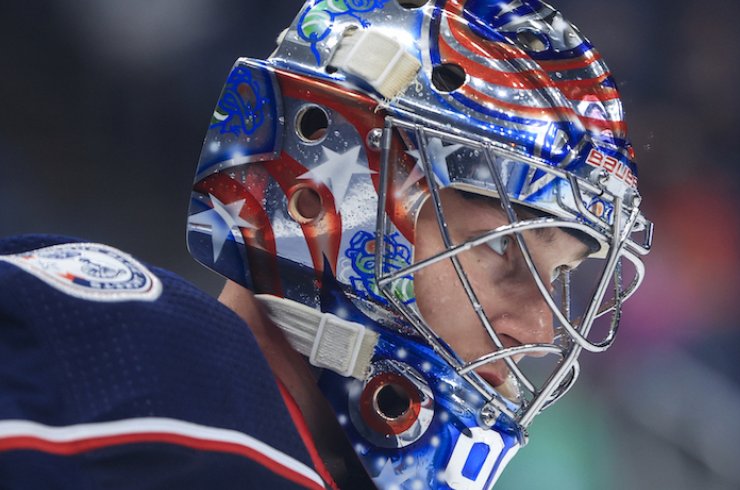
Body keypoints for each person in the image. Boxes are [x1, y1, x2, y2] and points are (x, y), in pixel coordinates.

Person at [0, 0, 652, 488]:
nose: (537, 326)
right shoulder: (143, 376)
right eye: (498, 249)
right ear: (322, 199)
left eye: (560, 275)